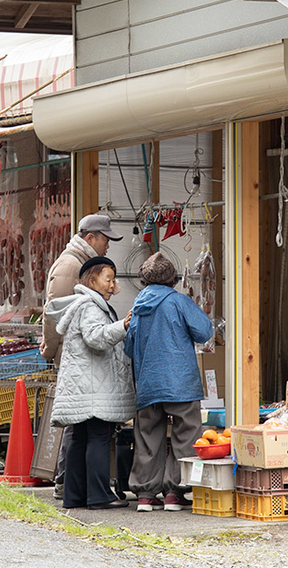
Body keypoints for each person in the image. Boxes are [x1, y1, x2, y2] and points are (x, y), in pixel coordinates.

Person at [124, 252, 213, 512]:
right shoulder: (179, 302)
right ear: (172, 279)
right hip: (180, 382)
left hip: (148, 383)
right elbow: (204, 331)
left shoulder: (137, 307)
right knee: (186, 434)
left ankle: (144, 495)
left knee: (147, 437)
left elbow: (129, 347)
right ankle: (176, 492)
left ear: (143, 280)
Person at [41, 213, 123, 497]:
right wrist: (50, 350)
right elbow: (55, 315)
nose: (108, 245)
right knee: (84, 430)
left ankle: (74, 491)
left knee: (80, 430)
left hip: (79, 360)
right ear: (91, 238)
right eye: (105, 239)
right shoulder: (71, 266)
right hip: (79, 362)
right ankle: (73, 486)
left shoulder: (77, 262)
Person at [47, 256, 136, 510]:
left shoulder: (85, 304)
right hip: (93, 387)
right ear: (92, 279)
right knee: (98, 436)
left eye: (113, 279)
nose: (112, 285)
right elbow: (96, 338)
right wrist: (124, 326)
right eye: (108, 279)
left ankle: (74, 496)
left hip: (83, 386)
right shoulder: (90, 306)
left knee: (80, 437)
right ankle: (99, 495)